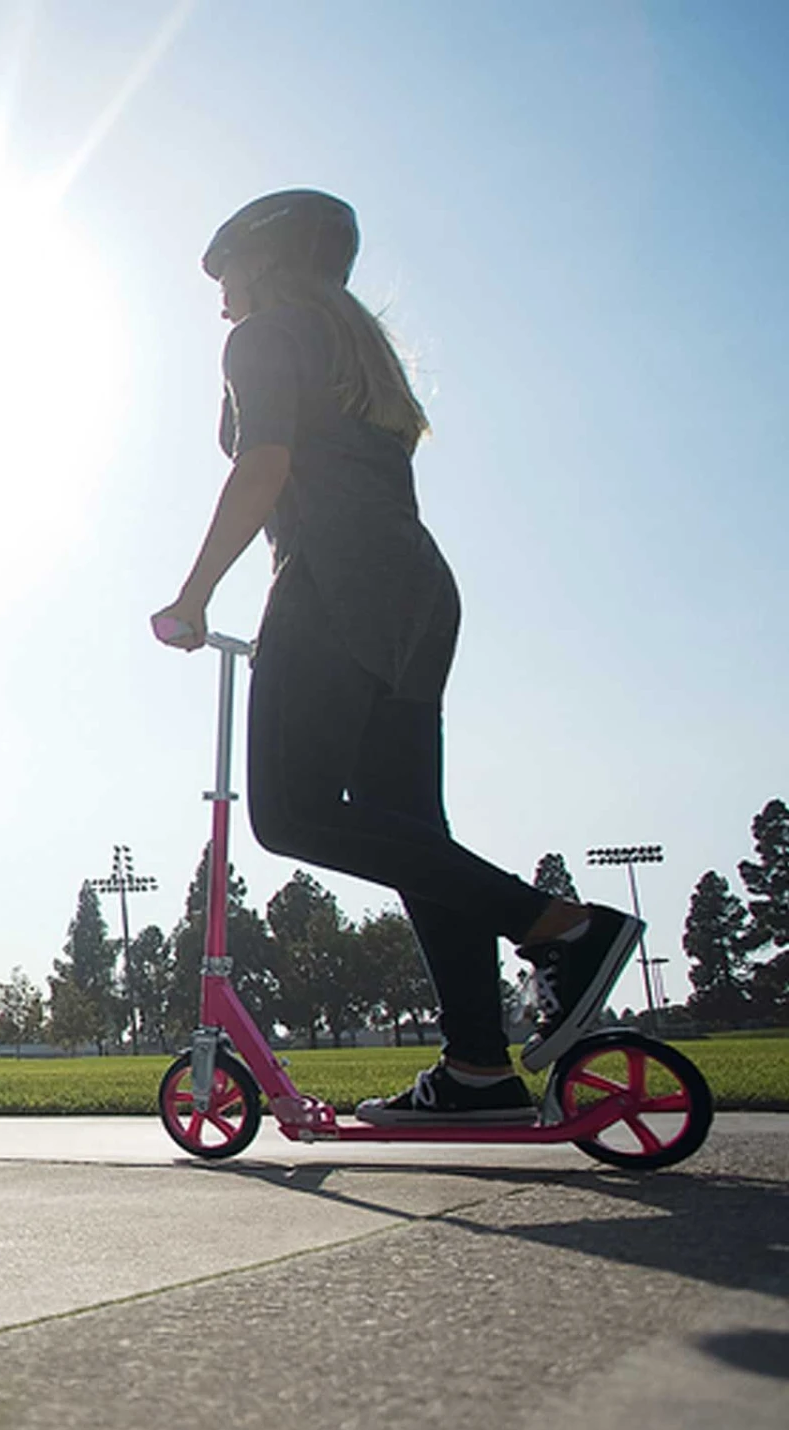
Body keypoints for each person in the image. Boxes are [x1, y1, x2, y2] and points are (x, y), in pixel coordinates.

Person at [152, 191, 641, 1124]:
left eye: (226, 274)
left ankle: (563, 928)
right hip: (416, 590)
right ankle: (479, 1069)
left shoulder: (265, 335)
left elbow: (263, 463)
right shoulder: (356, 347)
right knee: (410, 831)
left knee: (293, 815)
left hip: (333, 583)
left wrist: (194, 595)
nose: (219, 298)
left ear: (265, 263)